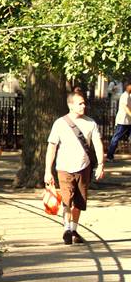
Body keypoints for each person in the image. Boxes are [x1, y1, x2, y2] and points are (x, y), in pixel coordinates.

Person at [44, 92, 105, 244]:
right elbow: (51, 147)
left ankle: (74, 229)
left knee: (79, 201)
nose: (83, 106)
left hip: (84, 167)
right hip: (64, 167)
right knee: (67, 199)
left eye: (84, 103)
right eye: (80, 103)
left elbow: (98, 144)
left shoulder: (91, 123)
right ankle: (66, 228)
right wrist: (47, 170)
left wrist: (101, 165)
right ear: (70, 105)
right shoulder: (60, 123)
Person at [106, 82, 131, 161]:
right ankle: (109, 156)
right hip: (122, 121)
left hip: (128, 121)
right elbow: (125, 107)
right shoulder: (124, 96)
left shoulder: (129, 96)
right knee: (116, 138)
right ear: (128, 86)